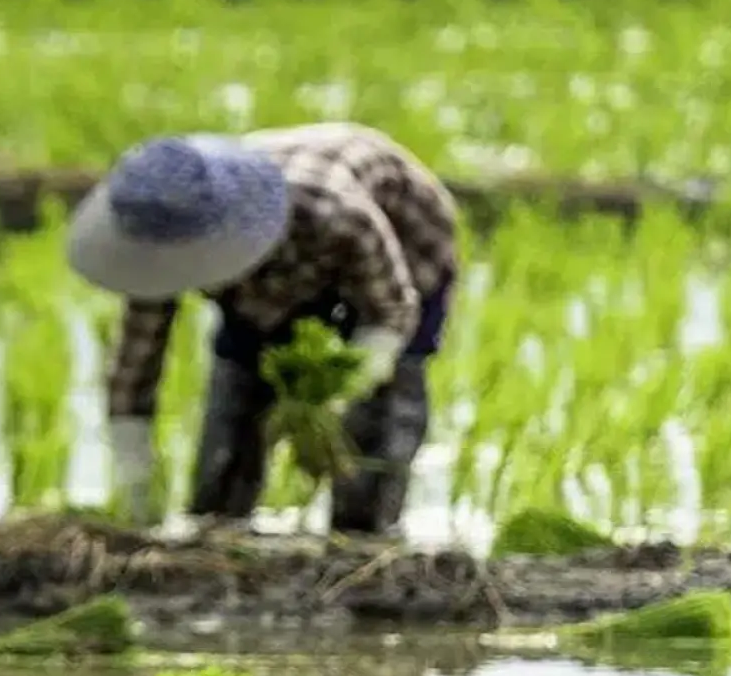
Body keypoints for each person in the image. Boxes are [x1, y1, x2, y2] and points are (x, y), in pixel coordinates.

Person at [67, 122, 460, 536]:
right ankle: (218, 524)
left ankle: (365, 536)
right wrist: (136, 474)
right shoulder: (164, 231)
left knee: (376, 431)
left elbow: (391, 310)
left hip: (402, 254)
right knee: (229, 435)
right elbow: (136, 359)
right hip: (281, 269)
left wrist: (347, 383)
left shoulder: (332, 211)